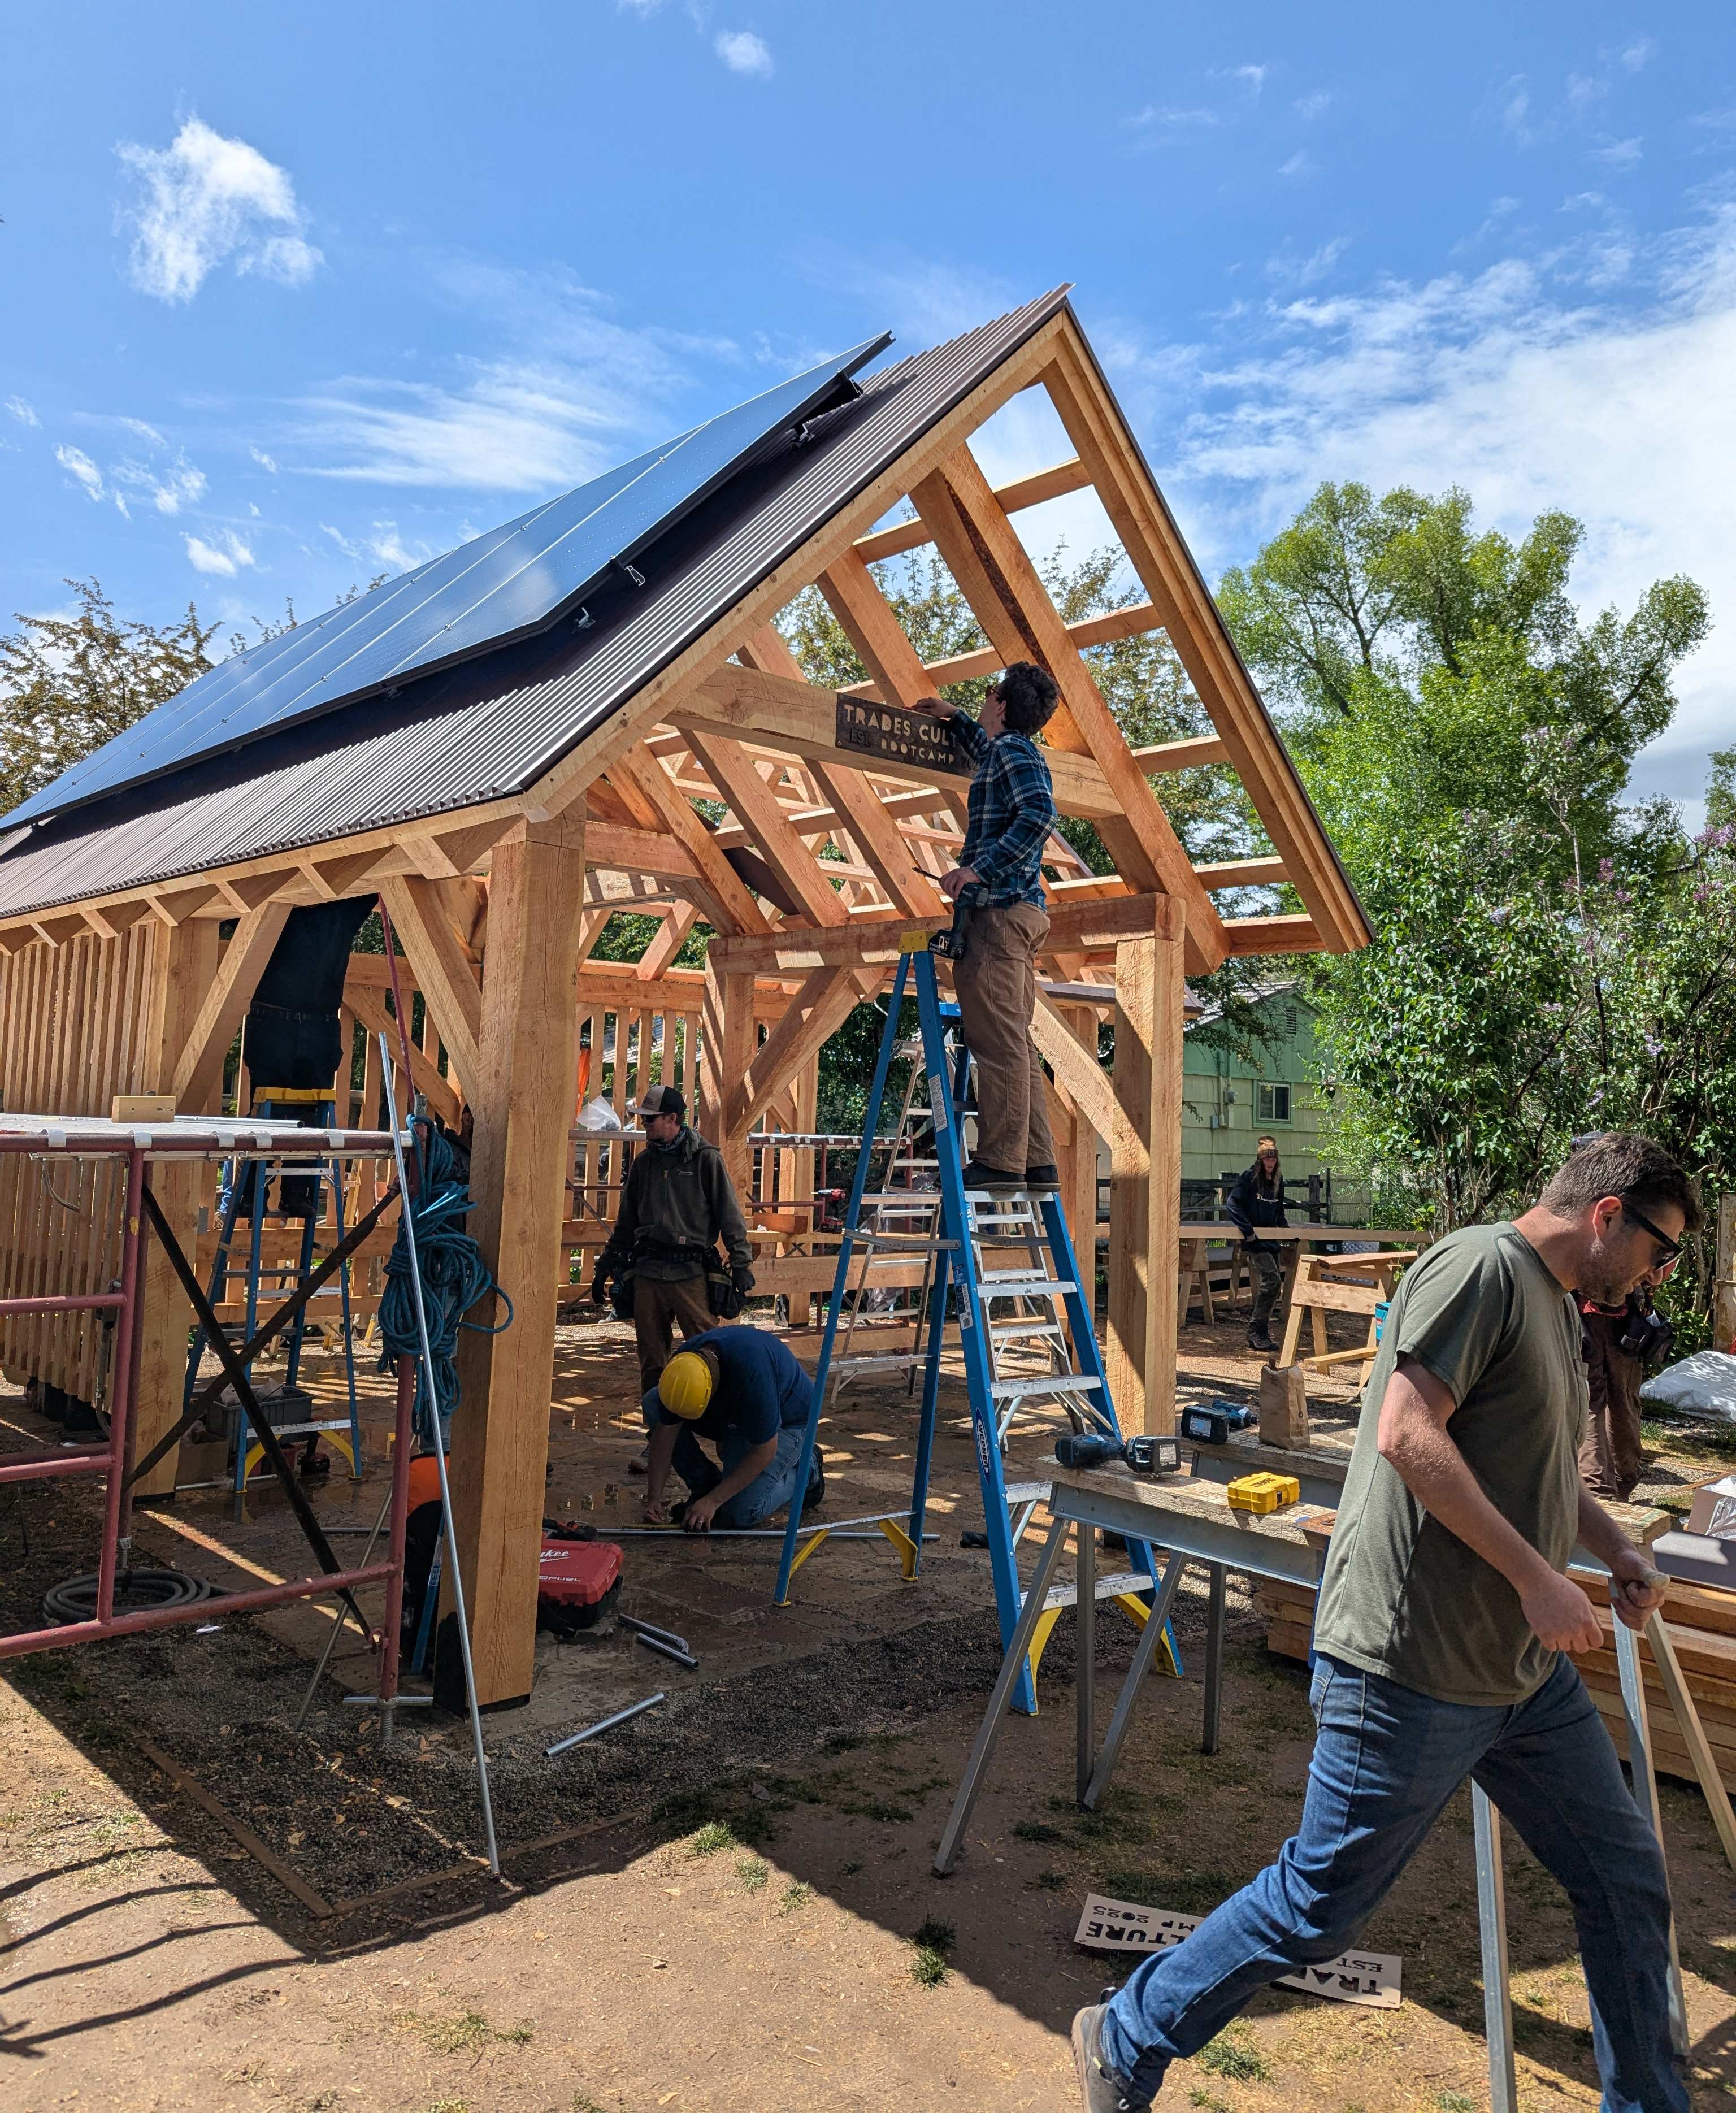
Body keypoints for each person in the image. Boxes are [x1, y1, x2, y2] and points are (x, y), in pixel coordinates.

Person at [1073, 1130, 1701, 2113]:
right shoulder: (1480, 1268)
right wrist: (1538, 1579)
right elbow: (1406, 1430)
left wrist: (1615, 1548)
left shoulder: (1552, 1302)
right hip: (1409, 1664)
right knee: (1317, 1907)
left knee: (1624, 1879)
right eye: (1660, 1248)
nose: (1659, 1273)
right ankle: (1126, 2033)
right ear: (1606, 1213)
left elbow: (1535, 1462)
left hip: (1517, 1673)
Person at [910, 662, 1061, 1190]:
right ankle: (1036, 1160)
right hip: (1015, 916)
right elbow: (989, 751)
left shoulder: (1012, 752)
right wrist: (954, 717)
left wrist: (977, 869)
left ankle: (1001, 1161)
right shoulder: (1010, 750)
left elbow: (1039, 815)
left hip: (998, 918)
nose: (983, 699)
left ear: (999, 703)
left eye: (987, 693)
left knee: (996, 1043)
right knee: (1013, 1039)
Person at [592, 1084, 754, 1399]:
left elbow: (729, 1214)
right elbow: (626, 1224)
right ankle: (659, 1427)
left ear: (673, 1119)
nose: (644, 1124)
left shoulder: (706, 1160)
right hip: (649, 1273)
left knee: (708, 1353)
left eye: (650, 1118)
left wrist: (741, 1263)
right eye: (643, 1118)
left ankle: (712, 1421)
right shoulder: (643, 1164)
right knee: (652, 1363)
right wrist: (606, 1264)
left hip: (690, 1273)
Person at [641, 1329, 823, 1531]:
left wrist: (714, 1501)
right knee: (654, 1402)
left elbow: (764, 1453)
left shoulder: (753, 1380)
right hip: (737, 1411)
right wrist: (653, 1500)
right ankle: (705, 1486)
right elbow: (665, 1434)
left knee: (740, 1513)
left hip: (791, 1420)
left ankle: (807, 1470)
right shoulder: (683, 1368)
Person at [1226, 1136, 1288, 1353]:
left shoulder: (1279, 1182)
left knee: (1274, 1287)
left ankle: (1259, 1332)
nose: (1270, 1163)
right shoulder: (1249, 1178)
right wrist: (1248, 1231)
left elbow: (1279, 1213)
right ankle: (1256, 1331)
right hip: (1255, 1243)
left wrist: (1289, 1233)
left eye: (1273, 1160)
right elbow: (1232, 1203)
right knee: (1272, 1281)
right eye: (1266, 1160)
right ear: (1260, 1161)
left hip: (1271, 1241)